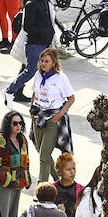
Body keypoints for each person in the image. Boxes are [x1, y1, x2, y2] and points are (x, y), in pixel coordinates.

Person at [26, 47, 76, 183]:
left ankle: (41, 186)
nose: (43, 63)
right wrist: (32, 109)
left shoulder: (61, 78)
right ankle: (57, 178)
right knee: (41, 151)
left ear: (54, 63)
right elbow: (34, 93)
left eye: (47, 61)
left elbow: (71, 98)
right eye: (42, 60)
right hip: (38, 117)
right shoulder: (38, 75)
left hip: (52, 120)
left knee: (43, 156)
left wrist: (60, 114)